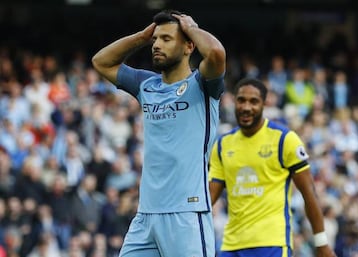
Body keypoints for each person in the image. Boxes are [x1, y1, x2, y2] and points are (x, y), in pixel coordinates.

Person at [92, 9, 226, 257]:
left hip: (186, 213)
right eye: (156, 39)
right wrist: (141, 38)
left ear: (189, 46)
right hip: (146, 214)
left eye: (166, 39)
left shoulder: (202, 84)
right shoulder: (147, 84)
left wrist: (193, 29)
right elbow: (101, 62)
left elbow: (217, 53)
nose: (157, 44)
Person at [208, 78, 337, 257]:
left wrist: (321, 243)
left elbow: (309, 194)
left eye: (253, 101)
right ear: (234, 102)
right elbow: (209, 198)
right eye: (241, 100)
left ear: (264, 105)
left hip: (272, 244)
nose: (246, 107)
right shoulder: (222, 144)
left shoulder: (285, 140)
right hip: (231, 246)